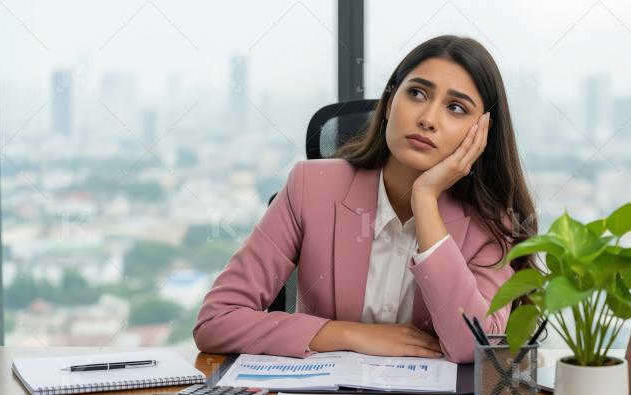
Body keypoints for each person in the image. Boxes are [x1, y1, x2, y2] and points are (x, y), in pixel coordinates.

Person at [193, 35, 538, 363]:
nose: (428, 119)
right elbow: (216, 321)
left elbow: (473, 346)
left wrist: (426, 199)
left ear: (481, 134)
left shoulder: (494, 221)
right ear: (389, 103)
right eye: (417, 93)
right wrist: (347, 334)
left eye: (456, 108)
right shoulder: (309, 187)